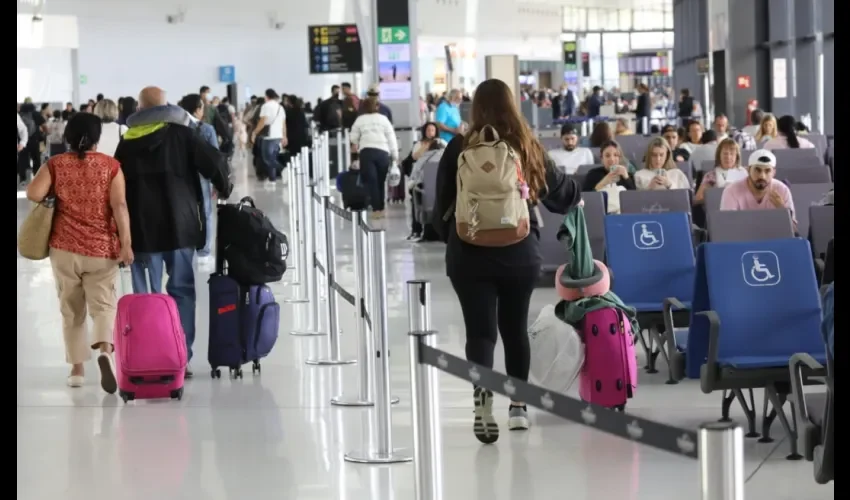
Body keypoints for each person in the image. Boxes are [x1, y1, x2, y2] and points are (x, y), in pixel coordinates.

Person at [433, 79, 582, 443]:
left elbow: (439, 214)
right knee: (514, 329)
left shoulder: (458, 148)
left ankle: (482, 400)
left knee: (480, 333)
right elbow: (561, 197)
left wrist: (455, 235)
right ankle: (518, 408)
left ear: (476, 109)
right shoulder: (526, 145)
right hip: (518, 252)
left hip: (469, 253)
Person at [114, 86, 232, 377]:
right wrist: (223, 186)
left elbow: (114, 185)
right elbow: (215, 161)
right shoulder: (182, 135)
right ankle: (182, 355)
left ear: (139, 110)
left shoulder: (127, 141)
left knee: (147, 296)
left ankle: (150, 354)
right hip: (180, 226)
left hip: (142, 230)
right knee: (182, 291)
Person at [26, 113, 134, 392]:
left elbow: (34, 194)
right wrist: (126, 244)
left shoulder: (56, 164)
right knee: (104, 306)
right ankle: (105, 352)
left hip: (64, 249)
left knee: (71, 310)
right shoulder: (111, 166)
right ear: (97, 138)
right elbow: (120, 206)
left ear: (68, 137)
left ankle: (76, 370)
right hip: (101, 249)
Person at [179, 94, 219, 266]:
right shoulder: (206, 129)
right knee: (206, 213)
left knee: (184, 212)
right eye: (202, 107)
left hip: (181, 177)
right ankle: (204, 252)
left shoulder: (175, 128)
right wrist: (218, 180)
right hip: (202, 177)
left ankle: (186, 248)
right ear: (197, 109)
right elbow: (215, 158)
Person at [349, 95, 398, 219]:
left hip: (367, 152)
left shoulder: (360, 120)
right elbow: (391, 138)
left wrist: (356, 143)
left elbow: (353, 137)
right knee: (381, 181)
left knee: (372, 182)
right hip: (382, 153)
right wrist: (395, 155)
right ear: (377, 106)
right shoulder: (384, 119)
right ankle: (381, 207)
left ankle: (376, 209)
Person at [719, 149, 796, 226]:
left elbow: (794, 230)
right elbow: (727, 227)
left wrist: (783, 212)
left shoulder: (782, 190)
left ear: (773, 172)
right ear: (748, 170)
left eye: (767, 171)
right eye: (757, 170)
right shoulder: (731, 191)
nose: (762, 176)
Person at [251, 88, 288, 183]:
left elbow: (263, 121)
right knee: (273, 158)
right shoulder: (280, 107)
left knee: (267, 158)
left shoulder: (266, 106)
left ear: (266, 96)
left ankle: (285, 169)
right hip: (278, 135)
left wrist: (255, 132)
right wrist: (284, 136)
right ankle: (272, 178)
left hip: (268, 136)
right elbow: (283, 123)